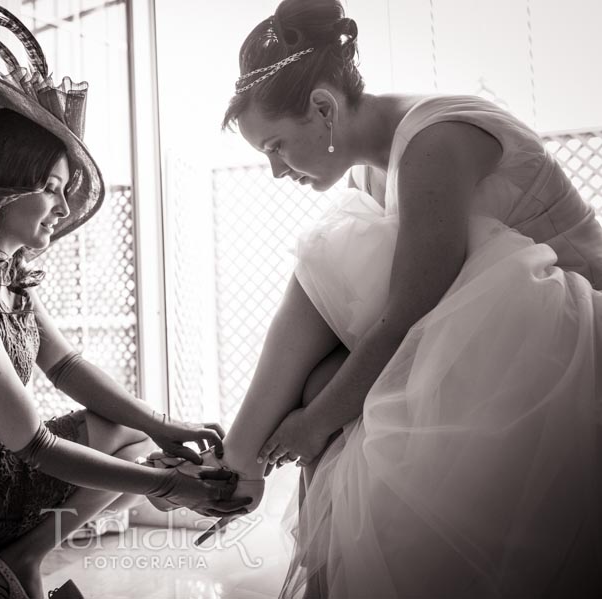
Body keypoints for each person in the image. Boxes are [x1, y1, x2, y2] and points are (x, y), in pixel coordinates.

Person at [158, 0, 602, 597]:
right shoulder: (376, 172)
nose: (275, 170)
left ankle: (238, 462)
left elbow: (408, 314)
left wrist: (314, 425)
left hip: (570, 341)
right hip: (494, 337)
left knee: (333, 273)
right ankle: (251, 472)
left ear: (322, 107)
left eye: (276, 146)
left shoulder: (435, 139)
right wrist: (313, 412)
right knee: (323, 378)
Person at [0, 9, 248, 599]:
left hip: (1, 462)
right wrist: (169, 489)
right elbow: (36, 446)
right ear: (5, 184)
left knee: (132, 434)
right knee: (133, 455)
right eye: (54, 189)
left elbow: (64, 367)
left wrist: (163, 425)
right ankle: (15, 559)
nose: (62, 209)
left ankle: (16, 563)